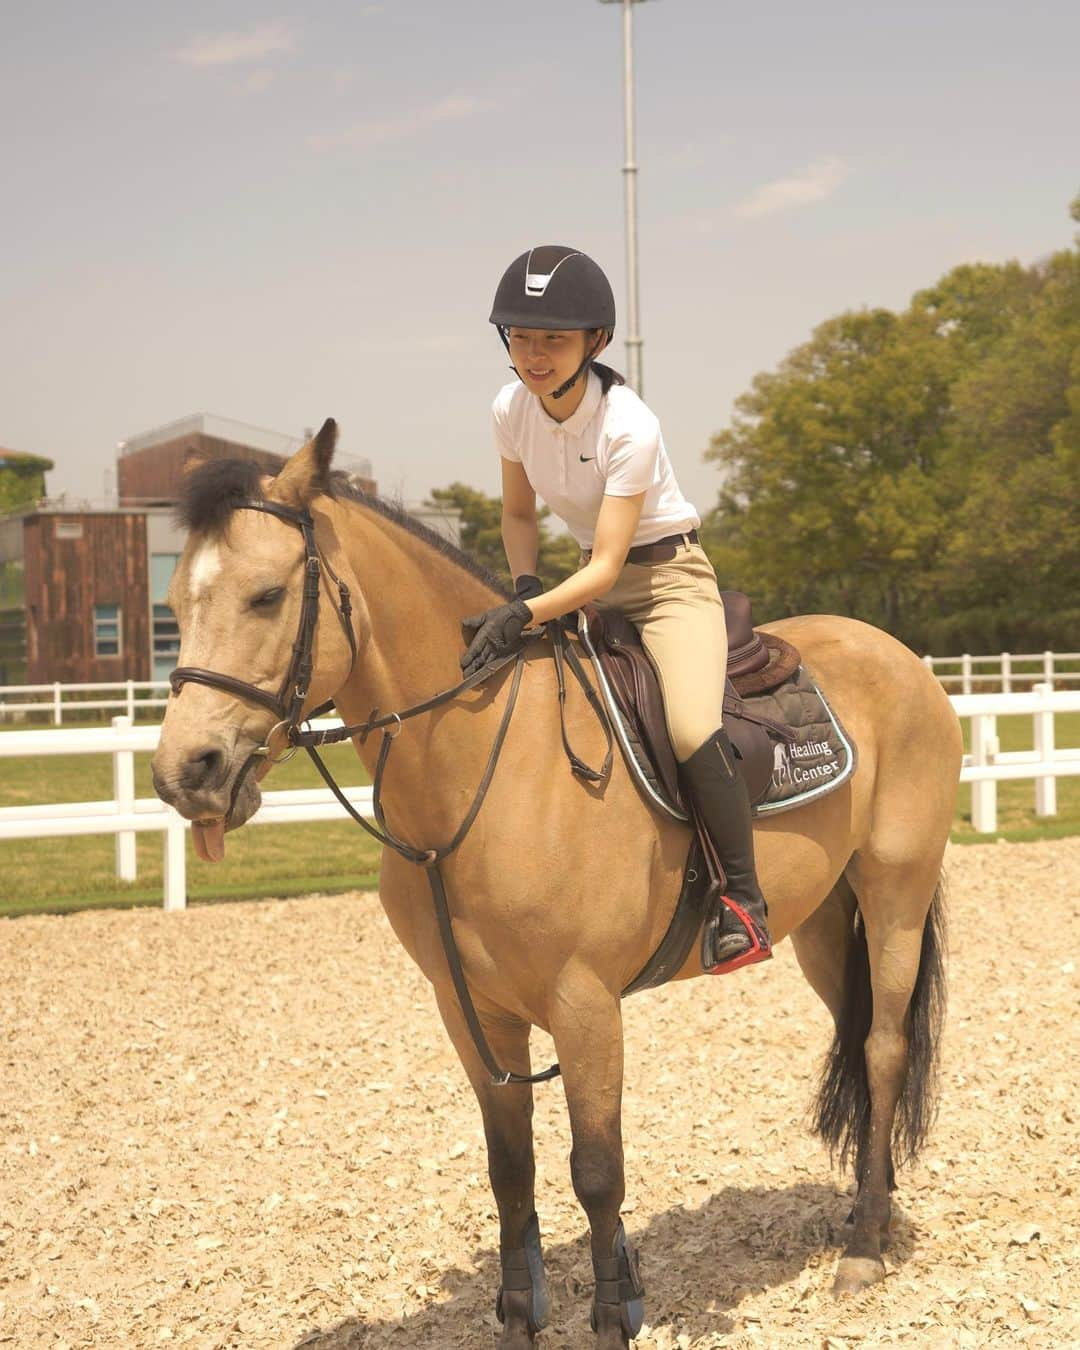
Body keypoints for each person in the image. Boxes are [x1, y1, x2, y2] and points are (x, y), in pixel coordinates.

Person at [460, 244, 770, 974]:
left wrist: (533, 612)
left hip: (667, 585)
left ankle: (744, 903)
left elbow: (606, 567)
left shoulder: (629, 425)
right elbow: (516, 512)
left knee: (693, 726)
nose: (534, 355)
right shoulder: (511, 408)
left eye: (554, 340)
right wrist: (525, 584)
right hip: (581, 581)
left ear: (594, 342)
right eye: (522, 337)